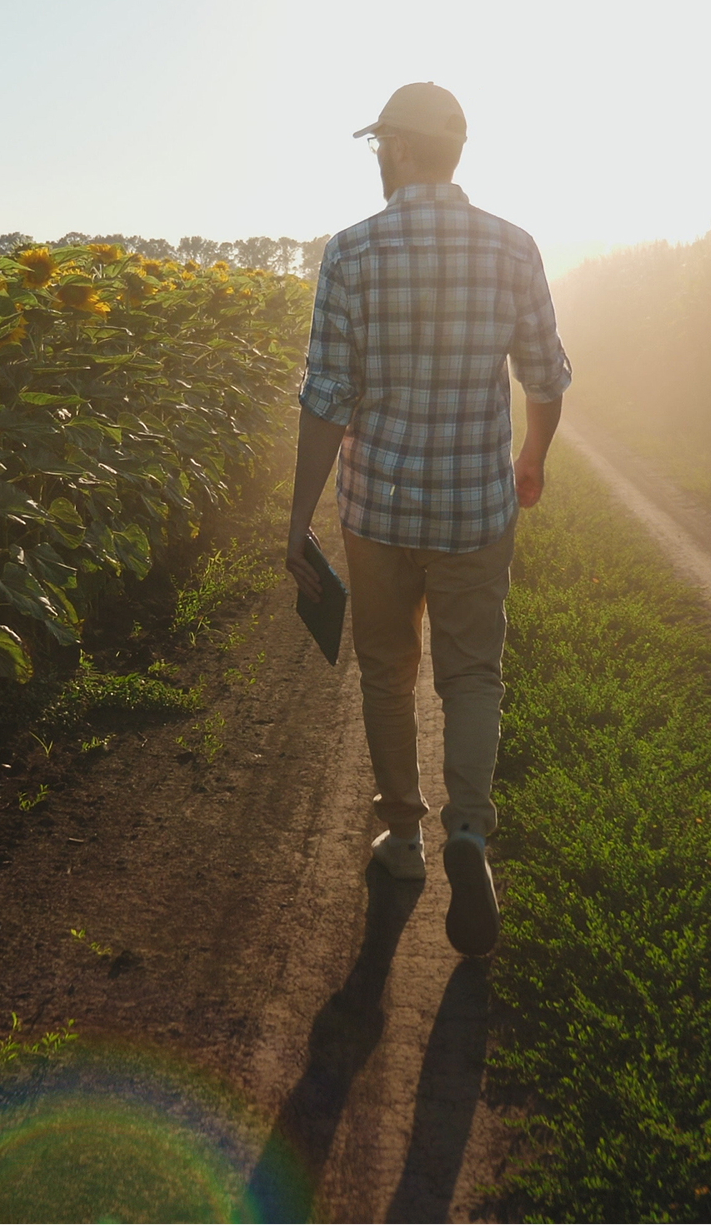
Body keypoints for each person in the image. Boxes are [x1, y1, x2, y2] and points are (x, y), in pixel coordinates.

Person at [284, 82, 570, 957]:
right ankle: (470, 837)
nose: (377, 161)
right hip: (474, 510)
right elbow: (547, 378)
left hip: (378, 511)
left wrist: (297, 521)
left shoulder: (352, 253)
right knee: (472, 674)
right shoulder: (513, 247)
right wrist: (533, 457)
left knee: (385, 669)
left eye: (380, 148)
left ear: (402, 151)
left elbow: (327, 399)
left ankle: (404, 839)